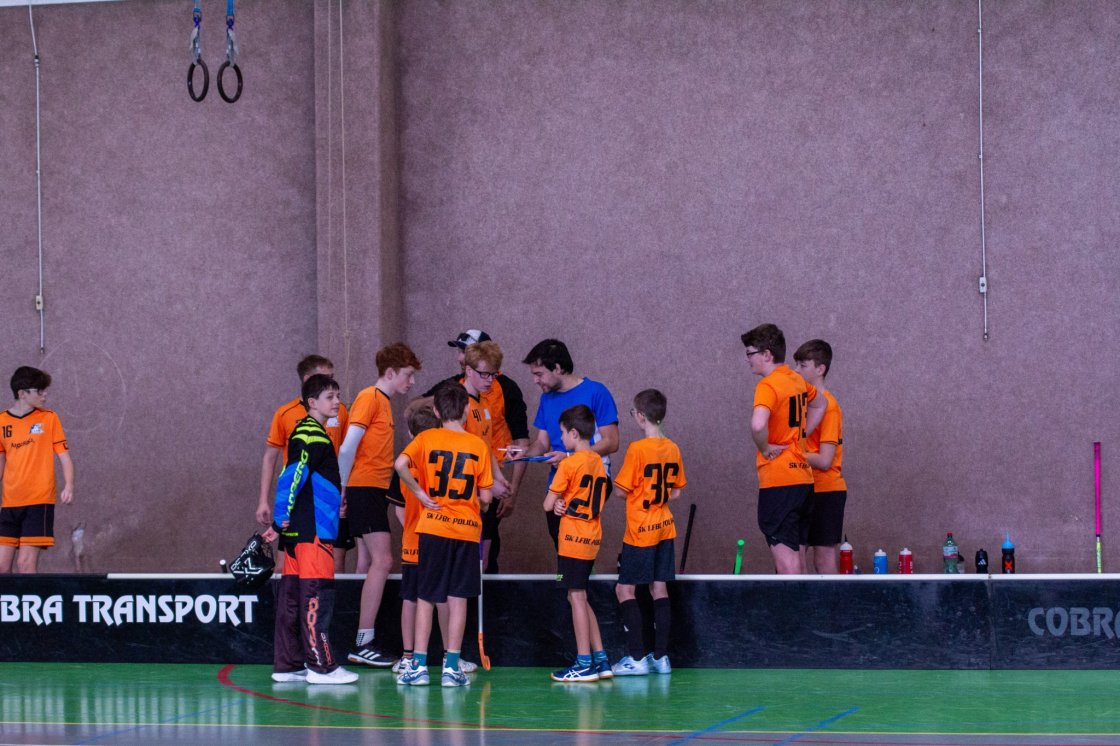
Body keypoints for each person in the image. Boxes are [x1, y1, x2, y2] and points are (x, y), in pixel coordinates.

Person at [394, 383, 493, 687]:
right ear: (467, 410)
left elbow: (400, 464)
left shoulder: (426, 438)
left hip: (433, 528)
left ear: (436, 411)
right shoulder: (478, 445)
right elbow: (486, 497)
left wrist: (419, 494)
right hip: (466, 530)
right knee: (458, 598)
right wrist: (477, 504)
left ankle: (418, 666)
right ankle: (451, 667)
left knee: (426, 597)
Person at [262, 374, 358, 684]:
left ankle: (289, 665)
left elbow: (303, 478)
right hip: (313, 531)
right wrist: (279, 518)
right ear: (312, 402)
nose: (337, 402)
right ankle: (321, 667)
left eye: (338, 396)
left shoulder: (307, 432)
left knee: (292, 598)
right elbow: (292, 475)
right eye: (330, 397)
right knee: (317, 597)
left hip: (300, 531)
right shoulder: (311, 434)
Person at [338, 342, 422, 667]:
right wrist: (343, 490)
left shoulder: (383, 403)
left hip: (373, 489)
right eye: (408, 375)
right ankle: (363, 641)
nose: (411, 381)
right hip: (364, 488)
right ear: (390, 372)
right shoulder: (369, 398)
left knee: (374, 562)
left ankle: (362, 638)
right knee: (383, 561)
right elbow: (347, 448)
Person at [423, 330, 529, 572]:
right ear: (469, 371)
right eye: (484, 374)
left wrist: (499, 478)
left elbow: (484, 448)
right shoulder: (460, 408)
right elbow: (459, 456)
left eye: (493, 374)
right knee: (465, 562)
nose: (490, 380)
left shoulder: (483, 407)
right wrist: (489, 485)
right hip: (461, 497)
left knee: (483, 557)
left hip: (482, 492)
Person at [611, 389, 687, 676]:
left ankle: (636, 657)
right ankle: (661, 657)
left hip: (640, 530)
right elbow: (676, 492)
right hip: (664, 527)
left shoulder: (638, 449)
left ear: (641, 416)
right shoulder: (673, 447)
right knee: (659, 588)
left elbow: (621, 490)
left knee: (624, 589)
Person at [256, 355, 355, 573]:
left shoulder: (339, 411)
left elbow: (346, 452)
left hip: (327, 503)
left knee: (332, 563)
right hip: (301, 506)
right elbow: (283, 466)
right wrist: (266, 503)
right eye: (325, 380)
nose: (336, 399)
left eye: (333, 380)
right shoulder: (291, 417)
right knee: (297, 568)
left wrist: (343, 491)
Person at [741, 324, 826, 575]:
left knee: (787, 566)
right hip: (803, 481)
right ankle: (803, 602)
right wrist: (800, 436)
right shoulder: (796, 380)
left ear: (767, 355)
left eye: (750, 353)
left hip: (780, 482)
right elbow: (821, 403)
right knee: (798, 562)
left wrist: (765, 447)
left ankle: (792, 604)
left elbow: (758, 424)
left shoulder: (768, 385)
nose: (748, 359)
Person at [518, 339, 618, 548]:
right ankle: (572, 569)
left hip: (590, 478)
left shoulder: (596, 392)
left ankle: (578, 569)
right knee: (561, 541)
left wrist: (570, 457)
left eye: (539, 374)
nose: (535, 381)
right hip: (560, 479)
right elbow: (542, 443)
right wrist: (523, 453)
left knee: (575, 542)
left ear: (557, 368)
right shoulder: (547, 399)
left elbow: (612, 441)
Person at [544, 404, 613, 682]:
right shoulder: (598, 462)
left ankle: (584, 663)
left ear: (573, 433)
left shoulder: (569, 464)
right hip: (591, 537)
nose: (561, 438)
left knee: (576, 597)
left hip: (572, 540)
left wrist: (557, 502)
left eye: (562, 433)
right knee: (579, 596)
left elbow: (547, 504)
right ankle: (601, 659)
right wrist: (564, 502)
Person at [0, 367, 74, 574]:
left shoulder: (49, 418)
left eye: (45, 390)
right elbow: (1, 461)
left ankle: (29, 597)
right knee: (2, 566)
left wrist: (69, 485)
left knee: (25, 564)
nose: (45, 394)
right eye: (39, 390)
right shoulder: (2, 422)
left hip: (38, 502)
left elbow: (65, 457)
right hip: (10, 502)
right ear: (22, 393)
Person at [793, 339, 847, 574]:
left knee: (824, 561)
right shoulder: (801, 404)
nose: (796, 370)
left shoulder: (830, 407)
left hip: (826, 491)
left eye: (803, 365)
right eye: (796, 364)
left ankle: (832, 600)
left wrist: (791, 454)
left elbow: (825, 460)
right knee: (794, 559)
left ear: (820, 369)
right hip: (800, 488)